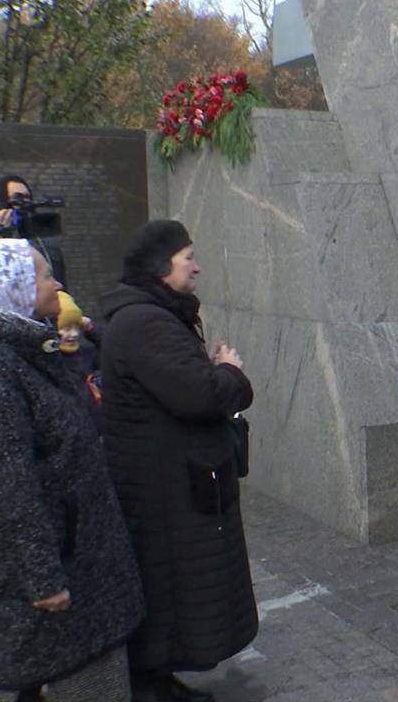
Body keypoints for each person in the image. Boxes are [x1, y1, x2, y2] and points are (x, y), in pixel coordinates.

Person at [0, 238, 144, 702]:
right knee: (86, 680)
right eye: (46, 275)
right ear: (14, 286)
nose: (57, 283)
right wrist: (42, 577)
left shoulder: (21, 346)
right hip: (63, 569)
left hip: (75, 554)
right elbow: (4, 485)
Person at [99, 220, 256, 702]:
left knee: (168, 585)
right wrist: (229, 372)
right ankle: (152, 686)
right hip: (165, 486)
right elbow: (199, 395)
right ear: (163, 265)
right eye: (188, 256)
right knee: (167, 586)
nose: (197, 265)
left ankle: (159, 680)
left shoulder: (147, 316)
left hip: (166, 478)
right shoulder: (147, 321)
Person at [0, 175, 67, 287]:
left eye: (27, 198)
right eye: (18, 199)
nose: (25, 204)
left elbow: (60, 283)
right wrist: (1, 237)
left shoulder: (44, 242)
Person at [55, 291, 103, 433]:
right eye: (67, 328)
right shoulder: (50, 361)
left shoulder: (85, 354)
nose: (74, 334)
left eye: (76, 327)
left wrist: (91, 329)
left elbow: (113, 349)